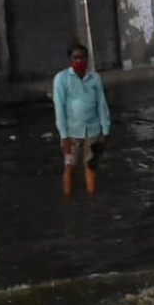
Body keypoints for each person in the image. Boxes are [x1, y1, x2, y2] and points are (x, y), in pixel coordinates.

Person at [53, 42, 111, 196]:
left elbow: (101, 104)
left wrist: (105, 129)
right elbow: (59, 108)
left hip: (93, 130)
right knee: (69, 167)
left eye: (83, 58)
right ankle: (67, 198)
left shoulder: (95, 78)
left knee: (91, 166)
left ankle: (92, 198)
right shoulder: (61, 79)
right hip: (72, 133)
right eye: (75, 58)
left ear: (87, 59)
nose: (79, 61)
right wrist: (64, 136)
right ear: (70, 60)